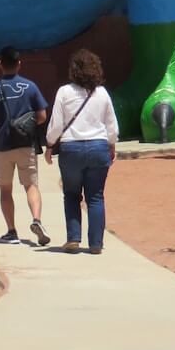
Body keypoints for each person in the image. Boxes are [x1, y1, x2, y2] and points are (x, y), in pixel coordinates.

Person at [45, 48, 118, 254]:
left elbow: (56, 125)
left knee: (71, 194)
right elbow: (111, 125)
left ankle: (73, 238)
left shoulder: (64, 92)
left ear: (73, 70)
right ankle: (96, 244)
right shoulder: (102, 93)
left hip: (71, 148)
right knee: (96, 196)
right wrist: (112, 144)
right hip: (98, 147)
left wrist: (50, 145)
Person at [0, 46, 51, 246]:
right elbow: (42, 116)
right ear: (19, 63)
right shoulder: (30, 86)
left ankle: (11, 232)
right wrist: (25, 125)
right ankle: (37, 220)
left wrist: (2, 125)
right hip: (25, 144)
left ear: (0, 64)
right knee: (31, 185)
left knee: (5, 190)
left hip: (2, 146)